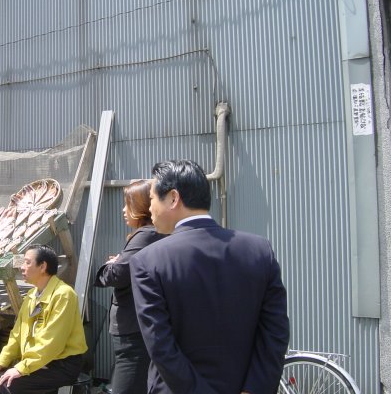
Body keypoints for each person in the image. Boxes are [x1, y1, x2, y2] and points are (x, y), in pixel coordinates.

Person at [130, 160, 289, 394]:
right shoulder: (259, 250)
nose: (150, 209)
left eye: (152, 198)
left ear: (173, 198)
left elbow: (161, 346)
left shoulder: (148, 261)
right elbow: (275, 332)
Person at [0, 244, 87, 394]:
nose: (22, 267)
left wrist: (21, 368)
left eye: (27, 262)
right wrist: (0, 364)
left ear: (42, 266)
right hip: (38, 361)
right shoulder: (31, 295)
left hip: (61, 364)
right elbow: (16, 335)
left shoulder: (64, 294)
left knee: (8, 385)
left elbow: (52, 341)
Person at [94, 180, 166, 394]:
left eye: (128, 204)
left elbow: (118, 274)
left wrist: (110, 265)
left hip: (133, 329)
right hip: (139, 325)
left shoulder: (146, 234)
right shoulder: (150, 234)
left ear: (142, 205)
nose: (124, 210)